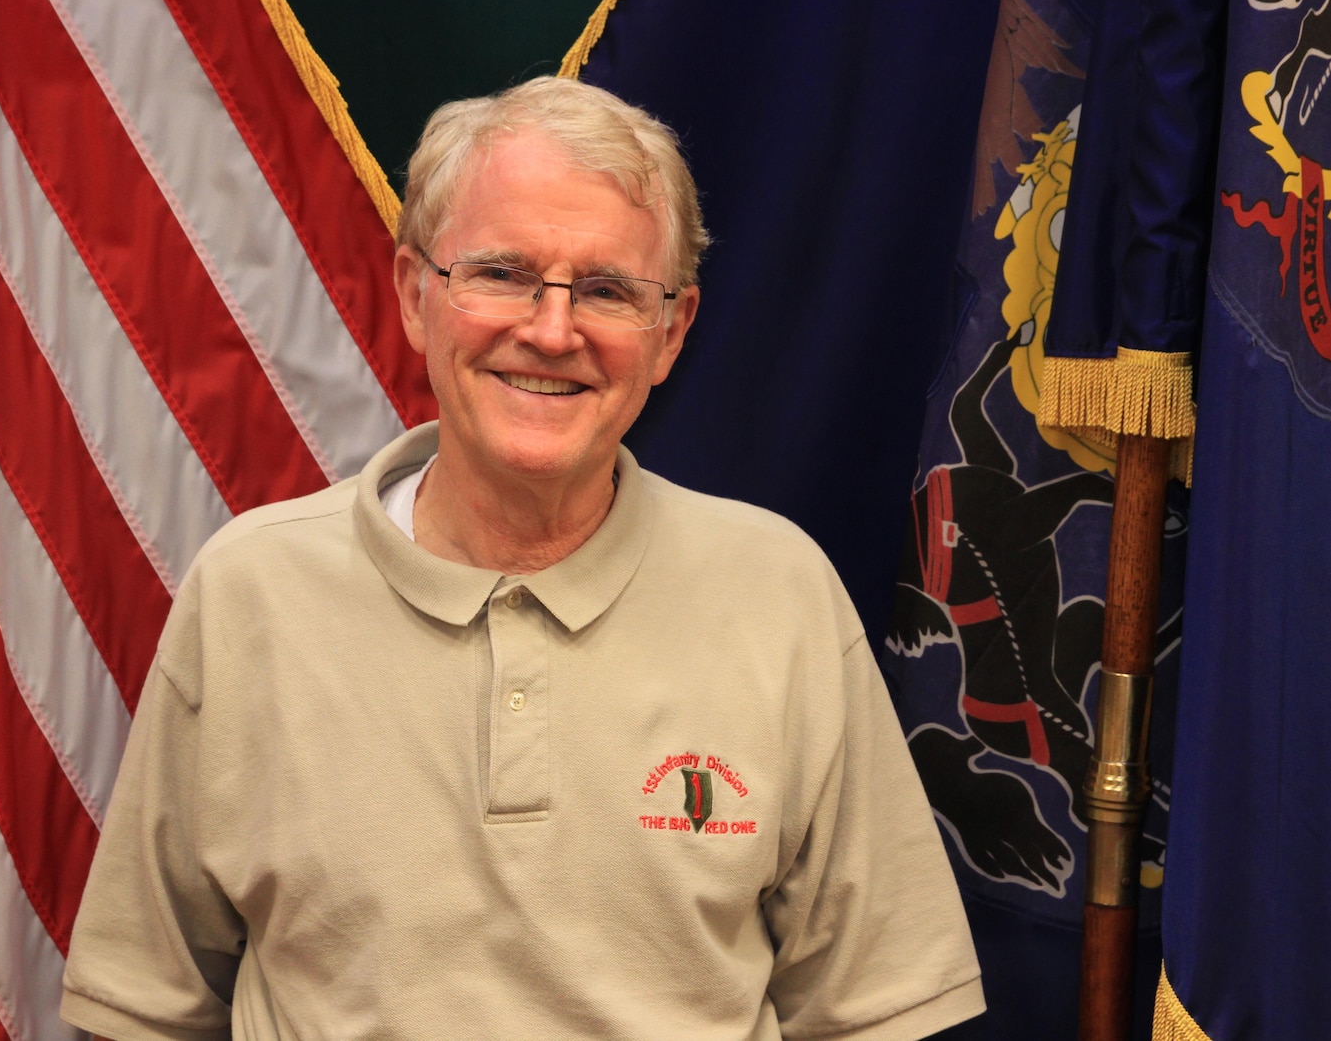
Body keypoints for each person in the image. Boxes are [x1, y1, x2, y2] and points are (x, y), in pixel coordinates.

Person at [60, 76, 983, 1041]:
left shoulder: (779, 595)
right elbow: (146, 1008)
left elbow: (875, 1011)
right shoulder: (250, 592)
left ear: (670, 333)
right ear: (416, 294)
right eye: (502, 273)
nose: (551, 330)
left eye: (607, 291)